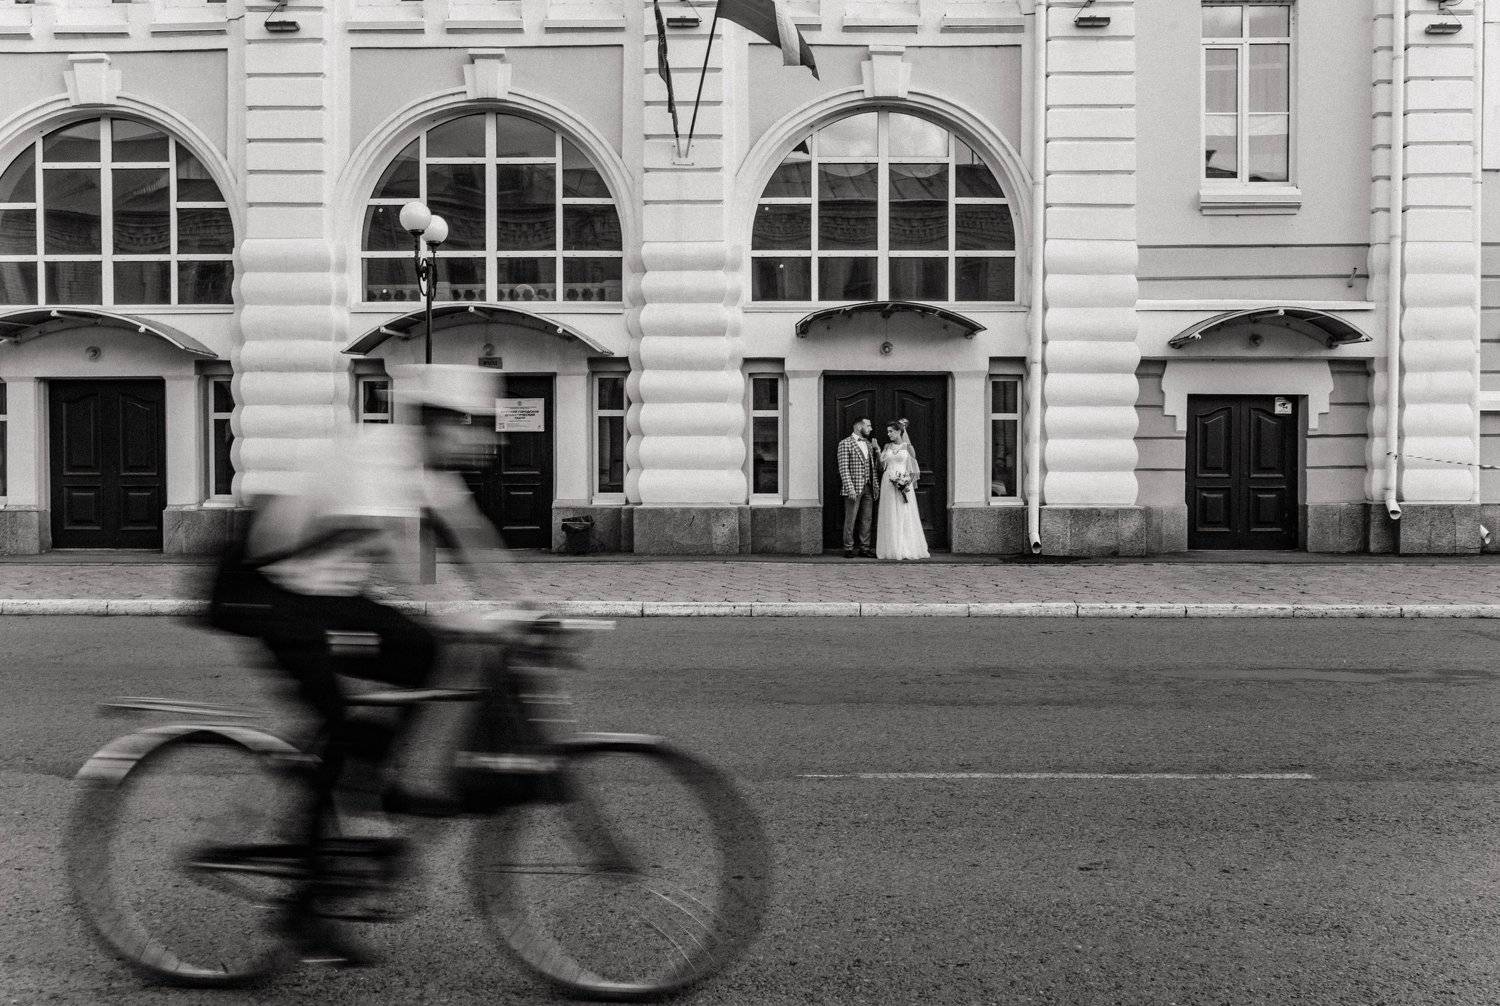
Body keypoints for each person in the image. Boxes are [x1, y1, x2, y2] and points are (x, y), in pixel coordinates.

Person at [227, 364, 510, 966]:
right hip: (270, 590)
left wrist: (525, 606)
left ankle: (371, 780)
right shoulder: (377, 457)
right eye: (476, 425)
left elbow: (470, 537)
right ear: (438, 423)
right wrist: (467, 613)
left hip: (330, 592)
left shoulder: (429, 470)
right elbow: (404, 551)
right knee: (339, 724)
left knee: (426, 651)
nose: (487, 438)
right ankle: (302, 912)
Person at [875, 419, 930, 561]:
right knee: (890, 512)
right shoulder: (887, 446)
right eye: (887, 432)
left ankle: (906, 547)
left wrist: (906, 483)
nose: (888, 434)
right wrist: (877, 450)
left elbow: (914, 470)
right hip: (888, 482)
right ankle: (891, 548)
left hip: (903, 483)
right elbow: (882, 466)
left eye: (891, 431)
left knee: (904, 513)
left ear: (899, 431)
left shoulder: (908, 447)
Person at [836, 417, 879, 558]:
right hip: (853, 488)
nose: (871, 428)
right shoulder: (845, 443)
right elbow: (843, 468)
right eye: (868, 425)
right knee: (851, 519)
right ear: (860, 427)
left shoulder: (868, 444)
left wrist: (875, 486)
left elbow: (873, 467)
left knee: (867, 519)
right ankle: (848, 548)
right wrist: (850, 488)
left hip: (869, 487)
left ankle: (864, 548)